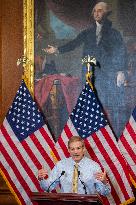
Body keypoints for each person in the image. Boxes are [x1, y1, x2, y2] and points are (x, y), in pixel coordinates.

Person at [44, 1, 128, 137]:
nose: (96, 13)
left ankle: (110, 136)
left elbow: (121, 53)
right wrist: (57, 49)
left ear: (106, 13)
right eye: (94, 11)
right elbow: (74, 44)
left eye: (100, 11)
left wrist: (120, 71)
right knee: (88, 106)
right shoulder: (87, 32)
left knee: (108, 106)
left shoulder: (114, 33)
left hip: (107, 76)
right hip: (89, 75)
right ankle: (90, 135)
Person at [38, 136, 111, 196]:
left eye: (78, 148)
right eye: (72, 149)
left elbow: (105, 193)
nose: (75, 152)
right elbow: (47, 188)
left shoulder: (94, 166)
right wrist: (41, 179)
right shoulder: (61, 165)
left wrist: (104, 182)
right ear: (68, 150)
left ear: (84, 149)